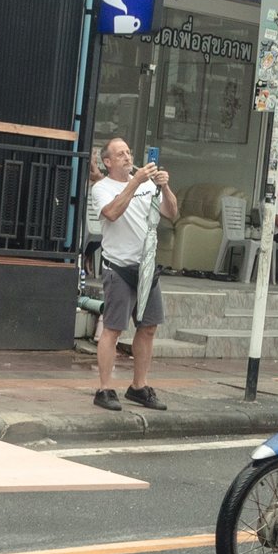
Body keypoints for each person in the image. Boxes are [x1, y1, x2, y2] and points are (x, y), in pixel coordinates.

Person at [88, 136, 179, 412]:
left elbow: (171, 213)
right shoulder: (101, 188)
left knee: (148, 328)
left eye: (129, 152)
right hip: (118, 268)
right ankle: (104, 388)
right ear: (107, 162)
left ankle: (139, 386)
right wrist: (135, 182)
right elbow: (112, 213)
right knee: (113, 329)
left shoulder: (147, 183)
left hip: (147, 267)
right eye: (120, 154)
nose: (127, 157)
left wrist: (165, 186)